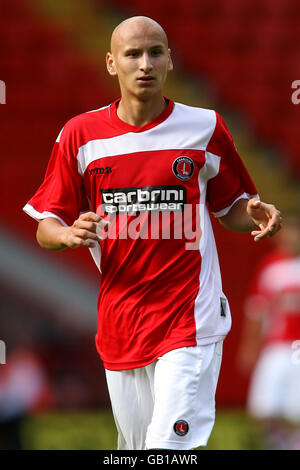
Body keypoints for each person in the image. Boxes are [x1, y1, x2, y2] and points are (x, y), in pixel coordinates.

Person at [23, 16, 282, 450]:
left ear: (169, 61)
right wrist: (66, 234)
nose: (145, 63)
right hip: (121, 322)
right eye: (133, 54)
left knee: (167, 449)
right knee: (137, 449)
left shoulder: (205, 126)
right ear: (111, 63)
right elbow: (46, 226)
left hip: (190, 319)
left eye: (155, 52)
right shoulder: (80, 135)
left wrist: (252, 211)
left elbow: (231, 207)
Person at [238, 215, 300, 450]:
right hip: (274, 346)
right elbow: (257, 310)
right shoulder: (270, 267)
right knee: (263, 409)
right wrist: (250, 346)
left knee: (295, 410)